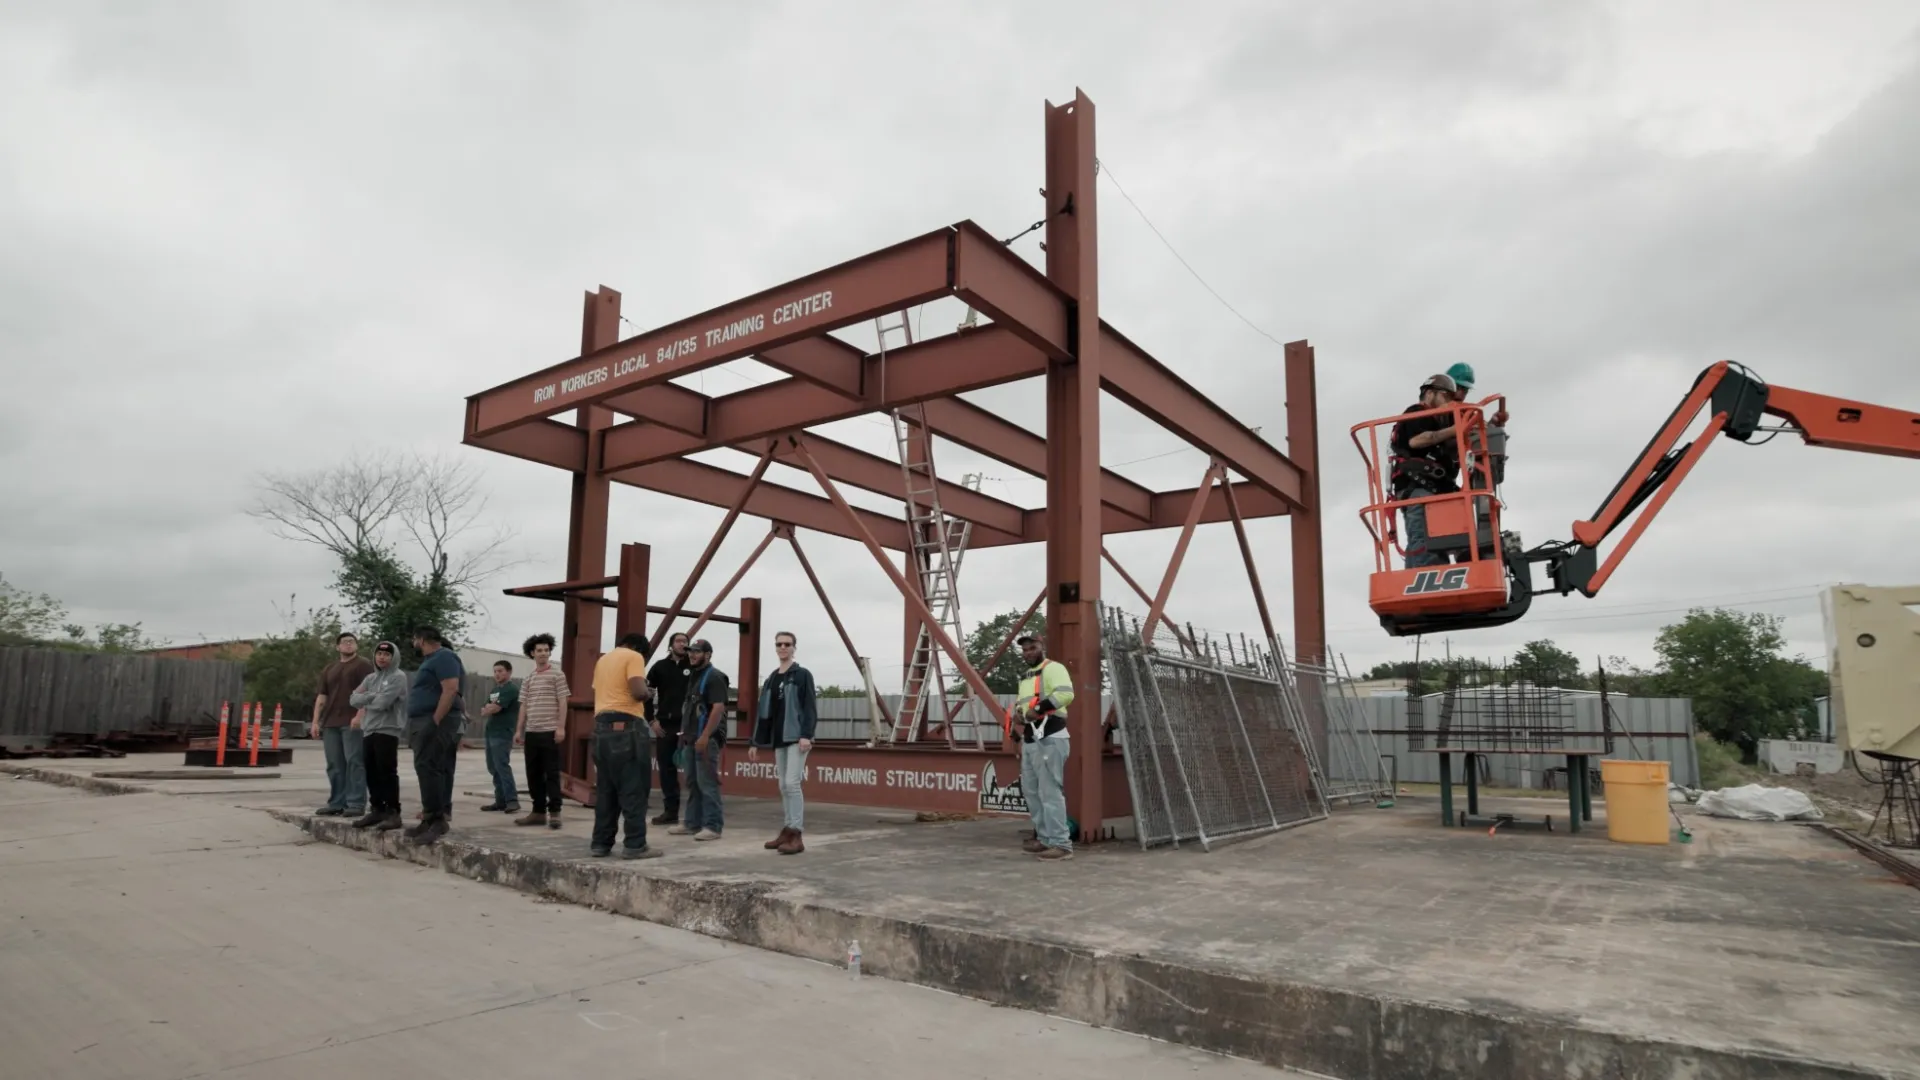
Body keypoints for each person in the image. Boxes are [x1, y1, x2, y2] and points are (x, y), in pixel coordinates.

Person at [589, 630, 660, 859]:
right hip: (627, 726)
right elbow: (638, 692)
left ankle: (600, 844)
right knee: (633, 789)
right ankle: (635, 845)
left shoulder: (603, 660)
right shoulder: (634, 657)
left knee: (606, 790)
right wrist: (648, 693)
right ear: (639, 649)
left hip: (601, 728)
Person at [750, 630, 818, 855]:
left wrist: (806, 734)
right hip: (778, 738)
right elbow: (764, 712)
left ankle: (796, 833)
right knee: (782, 785)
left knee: (792, 783)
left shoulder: (801, 675)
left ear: (794, 648)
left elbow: (809, 706)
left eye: (787, 644)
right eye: (779, 644)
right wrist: (756, 742)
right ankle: (788, 830)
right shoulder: (772, 678)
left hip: (797, 737)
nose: (783, 648)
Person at [1388, 373, 1464, 568]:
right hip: (1418, 487)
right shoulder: (1416, 413)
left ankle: (1436, 577)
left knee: (1448, 540)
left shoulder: (1438, 422)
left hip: (1435, 489)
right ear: (1430, 394)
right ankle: (1424, 579)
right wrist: (1457, 428)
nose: (1449, 404)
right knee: (1424, 542)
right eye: (1446, 397)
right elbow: (1418, 440)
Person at [1011, 634, 1076, 861]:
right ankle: (1046, 839)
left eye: (1033, 647)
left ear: (1042, 647)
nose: (1028, 652)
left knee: (1050, 793)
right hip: (1031, 739)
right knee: (1032, 792)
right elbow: (1022, 705)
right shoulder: (1027, 677)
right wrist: (1017, 719)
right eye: (1025, 649)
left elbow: (1066, 693)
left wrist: (1038, 709)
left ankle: (1061, 844)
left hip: (1050, 737)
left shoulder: (1053, 668)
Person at [405, 625, 467, 845]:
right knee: (426, 767)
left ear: (421, 639)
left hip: (436, 721)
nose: (414, 644)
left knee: (431, 767)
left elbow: (450, 689)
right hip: (423, 720)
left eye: (414, 640)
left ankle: (438, 820)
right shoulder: (431, 660)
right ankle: (429, 817)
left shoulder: (444, 656)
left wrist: (435, 720)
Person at [673, 638, 731, 842]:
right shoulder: (695, 676)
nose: (692, 655)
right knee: (693, 782)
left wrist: (705, 736)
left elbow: (718, 707)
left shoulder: (714, 677)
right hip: (690, 737)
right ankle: (692, 823)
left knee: (707, 782)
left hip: (705, 739)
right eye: (691, 651)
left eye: (697, 652)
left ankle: (713, 826)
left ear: (708, 655)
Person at [311, 632, 374, 818]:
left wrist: (360, 715)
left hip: (352, 722)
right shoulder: (330, 668)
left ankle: (355, 803)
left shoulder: (363, 665)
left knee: (354, 761)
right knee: (334, 764)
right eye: (344, 642)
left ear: (356, 646)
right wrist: (315, 721)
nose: (348, 644)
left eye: (351, 641)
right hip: (331, 722)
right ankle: (336, 803)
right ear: (337, 647)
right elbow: (322, 696)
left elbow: (369, 693)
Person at [347, 641, 410, 830]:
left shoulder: (398, 677)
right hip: (369, 729)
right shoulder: (370, 678)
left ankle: (393, 812)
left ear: (394, 657)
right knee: (371, 771)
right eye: (379, 654)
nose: (382, 657)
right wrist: (372, 696)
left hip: (388, 729)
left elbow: (383, 703)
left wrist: (367, 699)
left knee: (387, 771)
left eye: (387, 655)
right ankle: (377, 809)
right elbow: (352, 699)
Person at [514, 632, 569, 830]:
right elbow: (523, 705)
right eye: (539, 650)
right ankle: (538, 812)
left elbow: (563, 701)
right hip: (532, 732)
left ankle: (555, 812)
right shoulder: (528, 678)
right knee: (533, 773)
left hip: (549, 731)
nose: (543, 654)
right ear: (532, 653)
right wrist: (519, 730)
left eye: (546, 650)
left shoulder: (557, 674)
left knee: (551, 773)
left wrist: (561, 727)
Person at [646, 632, 692, 827]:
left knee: (693, 769)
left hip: (688, 725)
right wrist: (651, 721)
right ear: (671, 645)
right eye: (679, 641)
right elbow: (647, 695)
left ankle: (695, 814)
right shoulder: (659, 667)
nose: (682, 644)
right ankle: (670, 812)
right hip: (665, 725)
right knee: (666, 769)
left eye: (685, 642)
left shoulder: (693, 666)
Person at [479, 661, 521, 814]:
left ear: (509, 672)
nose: (497, 674)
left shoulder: (511, 689)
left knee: (502, 765)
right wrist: (489, 708)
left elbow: (495, 708)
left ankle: (512, 800)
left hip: (503, 733)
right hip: (491, 732)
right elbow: (484, 710)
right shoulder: (495, 689)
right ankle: (500, 800)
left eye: (500, 671)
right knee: (493, 767)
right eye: (495, 671)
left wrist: (491, 708)